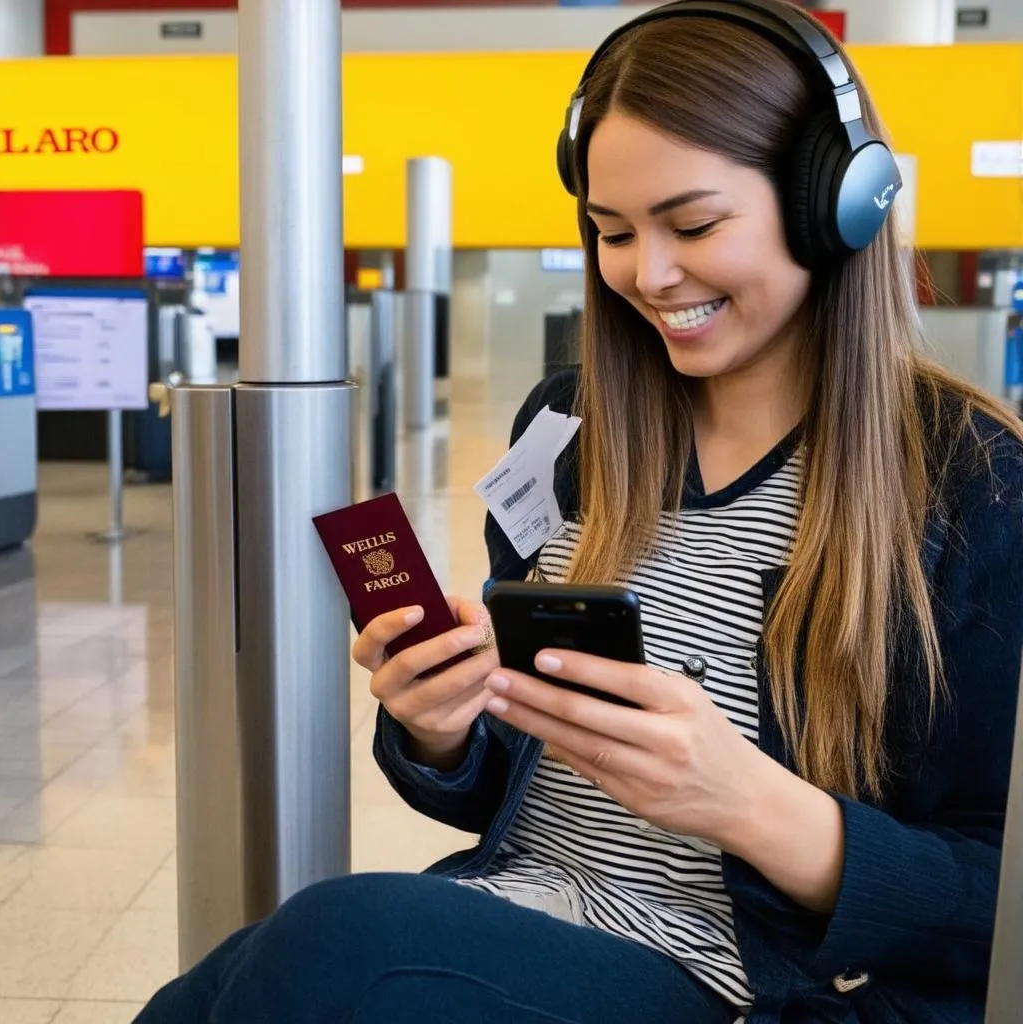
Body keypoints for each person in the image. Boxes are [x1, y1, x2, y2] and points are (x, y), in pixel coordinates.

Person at [135, 1, 1023, 1021]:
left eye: (692, 224)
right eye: (611, 231)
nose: (648, 273)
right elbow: (499, 781)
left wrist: (756, 805)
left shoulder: (971, 485)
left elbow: (992, 899)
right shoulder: (567, 425)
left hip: (740, 976)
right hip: (522, 909)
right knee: (215, 993)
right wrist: (442, 730)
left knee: (333, 943)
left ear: (838, 204)